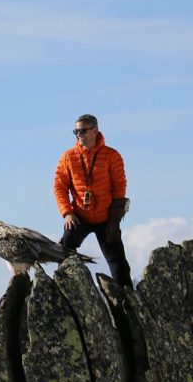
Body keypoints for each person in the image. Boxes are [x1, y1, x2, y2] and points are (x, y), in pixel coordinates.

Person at [53, 113, 133, 288]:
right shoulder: (68, 157)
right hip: (79, 216)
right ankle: (64, 291)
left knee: (118, 263)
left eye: (82, 131)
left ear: (95, 130)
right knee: (65, 249)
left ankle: (128, 301)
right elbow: (59, 187)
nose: (78, 135)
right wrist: (67, 213)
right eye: (76, 131)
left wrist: (115, 221)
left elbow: (120, 188)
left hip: (106, 217)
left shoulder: (112, 156)